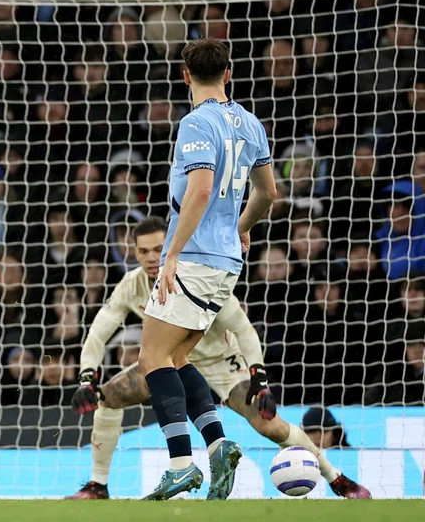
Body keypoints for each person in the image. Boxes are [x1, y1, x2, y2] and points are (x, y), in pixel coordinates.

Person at [68, 217, 370, 500]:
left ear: (174, 244)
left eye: (159, 249)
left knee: (269, 426)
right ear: (133, 251)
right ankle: (98, 484)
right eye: (143, 251)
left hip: (222, 363)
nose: (150, 257)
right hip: (169, 362)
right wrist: (87, 377)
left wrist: (259, 380)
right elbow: (97, 333)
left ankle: (336, 478)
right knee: (105, 398)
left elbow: (243, 329)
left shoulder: (200, 278)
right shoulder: (132, 284)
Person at [138, 38, 276, 501]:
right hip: (226, 263)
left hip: (193, 258)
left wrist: (172, 253)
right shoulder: (251, 123)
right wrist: (239, 227)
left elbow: (199, 190)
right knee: (178, 360)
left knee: (152, 359)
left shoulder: (196, 122)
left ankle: (181, 464)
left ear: (184, 75)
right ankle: (218, 445)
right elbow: (268, 193)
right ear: (228, 74)